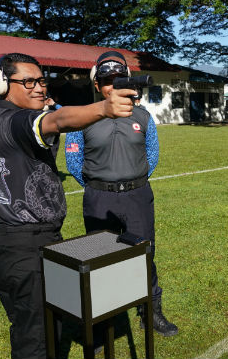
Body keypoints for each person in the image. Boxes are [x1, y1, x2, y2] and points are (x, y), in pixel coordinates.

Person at [0, 52, 134, 359]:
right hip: (26, 246)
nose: (39, 87)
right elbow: (58, 120)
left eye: (41, 80)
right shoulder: (18, 121)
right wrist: (105, 108)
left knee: (34, 325)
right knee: (37, 338)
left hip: (11, 240)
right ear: (2, 85)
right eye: (27, 82)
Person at [64, 51, 178, 337]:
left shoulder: (142, 115)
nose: (112, 85)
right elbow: (73, 162)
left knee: (144, 255)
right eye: (106, 80)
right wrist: (100, 185)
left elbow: (152, 154)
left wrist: (131, 180)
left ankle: (151, 312)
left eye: (118, 79)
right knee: (101, 261)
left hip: (138, 197)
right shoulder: (84, 118)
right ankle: (104, 324)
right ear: (96, 85)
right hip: (99, 200)